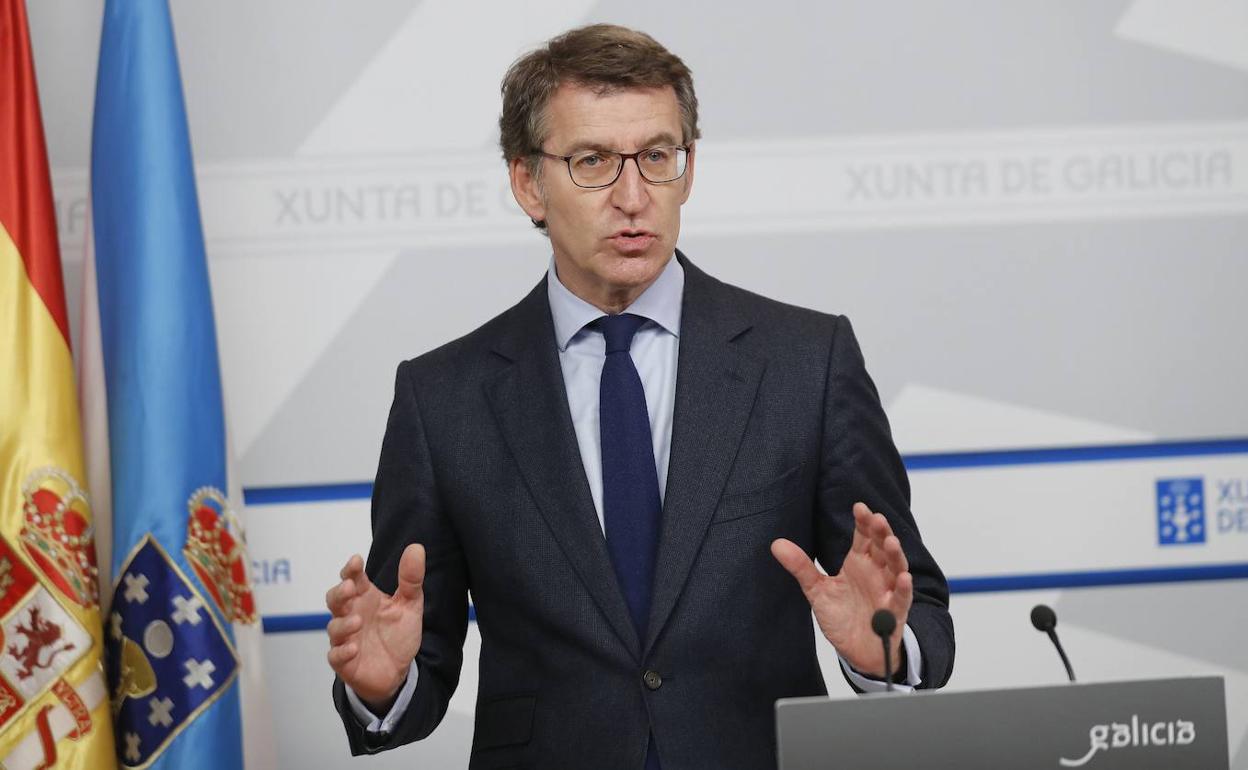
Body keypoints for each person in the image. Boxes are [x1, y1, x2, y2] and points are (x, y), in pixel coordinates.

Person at [326, 24, 954, 770]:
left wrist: (884, 647)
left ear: (687, 170)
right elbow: (412, 652)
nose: (633, 197)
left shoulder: (806, 363)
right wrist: (383, 684)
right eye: (592, 161)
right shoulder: (443, 399)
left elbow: (917, 613)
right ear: (527, 182)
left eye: (657, 156)